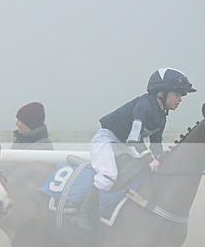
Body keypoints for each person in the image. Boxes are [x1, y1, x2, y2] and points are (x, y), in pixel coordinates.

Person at [73, 68, 196, 230]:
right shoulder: (144, 106)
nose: (179, 99)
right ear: (161, 93)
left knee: (140, 170)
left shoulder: (161, 114)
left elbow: (155, 143)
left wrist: (160, 159)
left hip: (124, 144)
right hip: (107, 139)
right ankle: (83, 212)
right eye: (177, 94)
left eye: (181, 96)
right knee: (109, 175)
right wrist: (149, 159)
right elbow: (135, 137)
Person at [11, 102, 53, 247]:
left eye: (21, 120)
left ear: (30, 123)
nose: (17, 123)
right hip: (19, 209)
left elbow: (24, 173)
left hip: (34, 210)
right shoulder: (20, 142)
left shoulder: (43, 147)